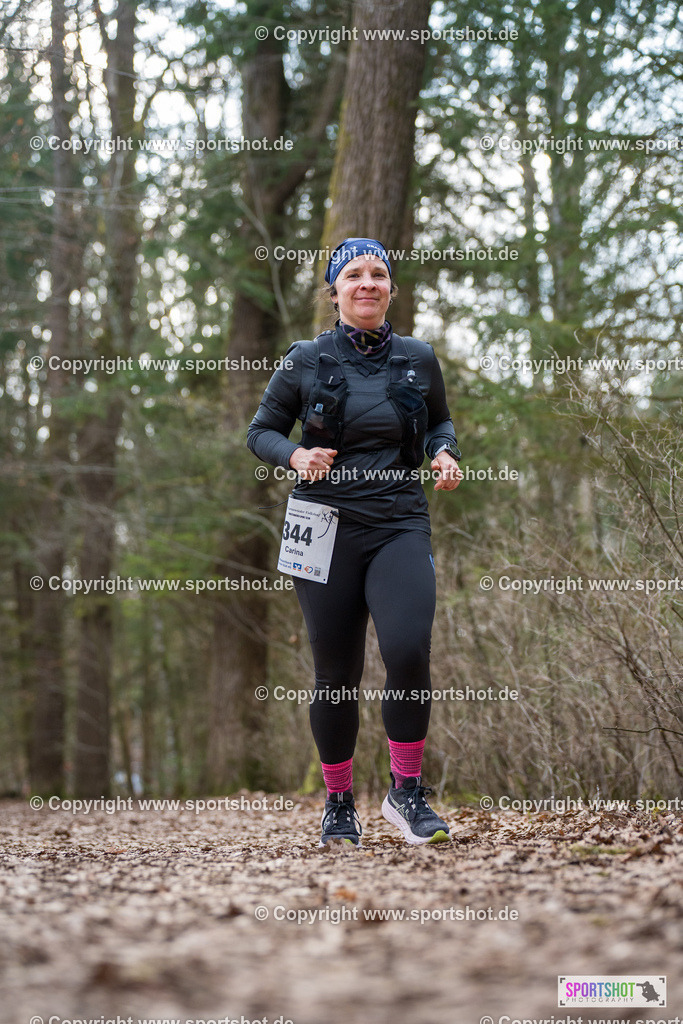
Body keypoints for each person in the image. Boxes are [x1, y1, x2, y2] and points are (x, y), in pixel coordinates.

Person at [247, 237, 463, 848]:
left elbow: (440, 419)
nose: (367, 283)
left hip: (398, 520)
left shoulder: (419, 358)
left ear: (391, 288)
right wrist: (295, 454)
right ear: (334, 290)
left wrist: (442, 451)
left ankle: (406, 794)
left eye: (379, 274)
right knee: (336, 672)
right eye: (354, 275)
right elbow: (260, 432)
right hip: (322, 525)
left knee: (407, 648)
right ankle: (339, 803)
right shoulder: (304, 360)